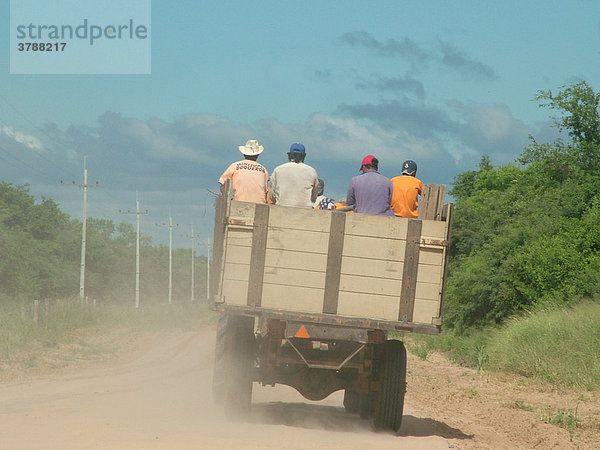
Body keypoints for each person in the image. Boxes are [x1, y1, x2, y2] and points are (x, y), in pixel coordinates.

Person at [269, 142, 319, 207]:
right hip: (305, 211)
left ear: (289, 155)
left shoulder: (278, 170)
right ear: (304, 156)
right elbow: (314, 197)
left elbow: (272, 196)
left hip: (281, 209)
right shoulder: (312, 171)